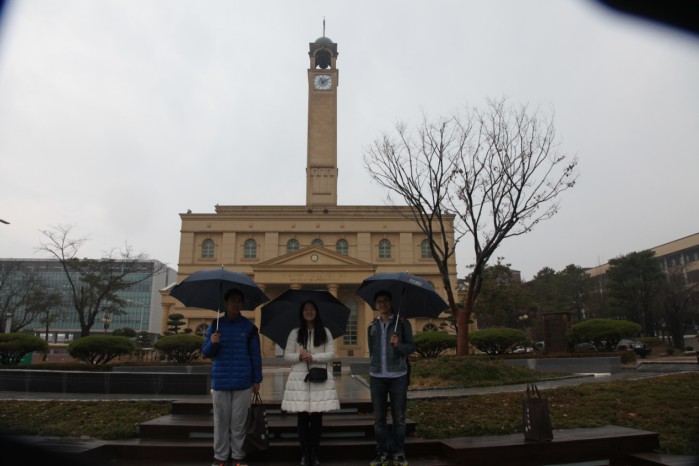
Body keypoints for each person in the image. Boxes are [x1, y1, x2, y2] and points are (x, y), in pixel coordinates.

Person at [202, 288, 263, 466]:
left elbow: (255, 355)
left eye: (239, 301)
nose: (235, 304)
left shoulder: (249, 328)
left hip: (242, 381)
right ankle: (220, 457)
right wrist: (212, 343)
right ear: (226, 303)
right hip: (221, 381)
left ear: (242, 304)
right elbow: (206, 352)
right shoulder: (215, 325)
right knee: (221, 421)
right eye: (232, 300)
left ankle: (238, 455)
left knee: (239, 422)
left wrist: (256, 379)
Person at [281, 300, 340, 466]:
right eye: (306, 309)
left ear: (316, 312)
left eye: (312, 309)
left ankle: (314, 453)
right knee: (302, 419)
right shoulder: (295, 333)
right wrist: (299, 356)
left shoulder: (325, 332)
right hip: (300, 381)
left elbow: (331, 354)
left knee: (316, 420)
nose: (309, 312)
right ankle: (305, 454)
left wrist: (313, 357)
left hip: (318, 380)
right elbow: (287, 356)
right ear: (302, 313)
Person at [367, 290, 416, 466]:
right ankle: (381, 452)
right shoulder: (372, 326)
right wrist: (374, 365)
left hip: (398, 376)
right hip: (377, 376)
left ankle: (398, 452)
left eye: (386, 300)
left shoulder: (402, 323)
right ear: (376, 305)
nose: (382, 304)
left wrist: (399, 345)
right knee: (379, 418)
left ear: (391, 303)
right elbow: (372, 351)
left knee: (399, 417)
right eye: (379, 301)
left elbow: (411, 347)